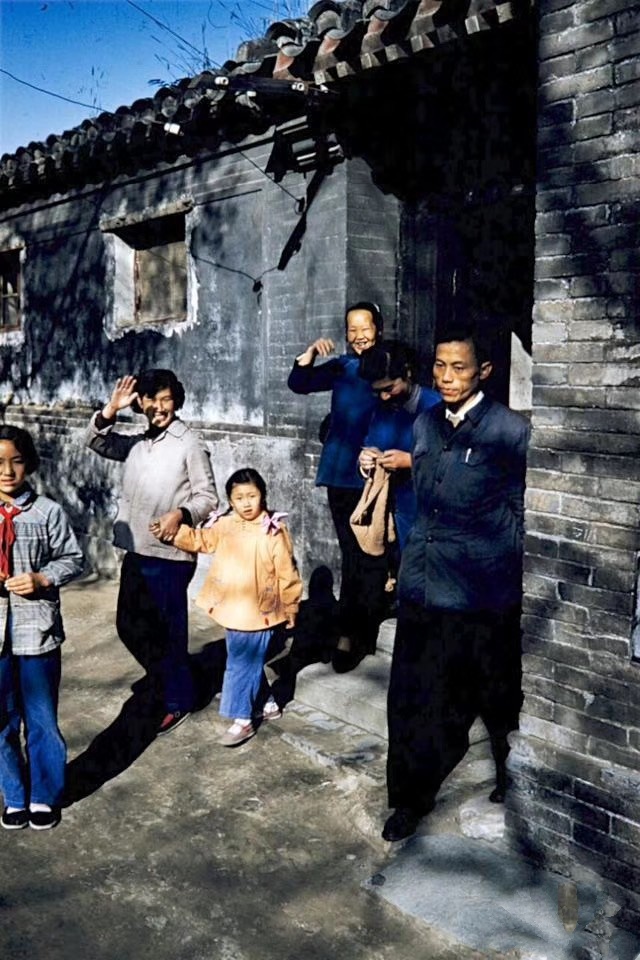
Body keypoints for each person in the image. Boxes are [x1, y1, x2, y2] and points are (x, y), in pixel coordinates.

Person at [383, 326, 530, 842]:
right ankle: (407, 799)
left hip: (479, 595)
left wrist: (499, 574)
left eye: (460, 367)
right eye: (440, 367)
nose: (447, 377)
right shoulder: (424, 424)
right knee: (409, 699)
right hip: (422, 587)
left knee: (495, 697)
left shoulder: (509, 431)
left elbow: (521, 514)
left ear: (483, 372)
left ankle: (514, 782)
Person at [86, 370, 218, 736]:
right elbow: (97, 442)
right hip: (137, 550)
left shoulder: (189, 443)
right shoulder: (139, 442)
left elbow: (208, 497)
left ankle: (178, 699)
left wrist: (181, 514)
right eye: (152, 399)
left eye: (167, 399)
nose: (160, 407)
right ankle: (170, 678)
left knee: (168, 632)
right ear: (140, 403)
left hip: (170, 555)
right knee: (129, 625)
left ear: (177, 401)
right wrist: (111, 409)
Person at [154, 468, 302, 747]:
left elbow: (287, 572)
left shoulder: (273, 530)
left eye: (252, 496)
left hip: (262, 610)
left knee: (237, 665)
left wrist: (291, 605)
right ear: (230, 501)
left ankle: (242, 720)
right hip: (233, 608)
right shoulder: (225, 525)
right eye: (239, 498)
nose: (247, 503)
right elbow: (202, 540)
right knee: (246, 660)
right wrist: (174, 534)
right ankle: (268, 704)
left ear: (263, 496)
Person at [287, 301, 386, 670]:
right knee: (352, 553)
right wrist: (310, 353)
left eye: (366, 327)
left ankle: (362, 629)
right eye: (352, 329)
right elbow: (299, 383)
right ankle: (350, 634)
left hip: (379, 473)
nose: (359, 336)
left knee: (372, 553)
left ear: (379, 328)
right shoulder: (343, 367)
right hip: (342, 473)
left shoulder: (390, 365)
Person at [0, 425, 83, 831]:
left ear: (28, 464)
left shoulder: (47, 511)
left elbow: (72, 558)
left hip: (37, 631)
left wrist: (42, 579)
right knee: (1, 718)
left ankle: (44, 795)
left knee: (41, 717)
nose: (7, 471)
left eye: (16, 461)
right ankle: (14, 795)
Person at [358, 341, 441, 552]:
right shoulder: (380, 409)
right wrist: (365, 461)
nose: (384, 396)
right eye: (377, 391)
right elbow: (370, 444)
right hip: (394, 514)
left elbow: (455, 462)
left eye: (389, 388)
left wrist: (409, 461)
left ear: (407, 373)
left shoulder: (436, 408)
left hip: (430, 517)